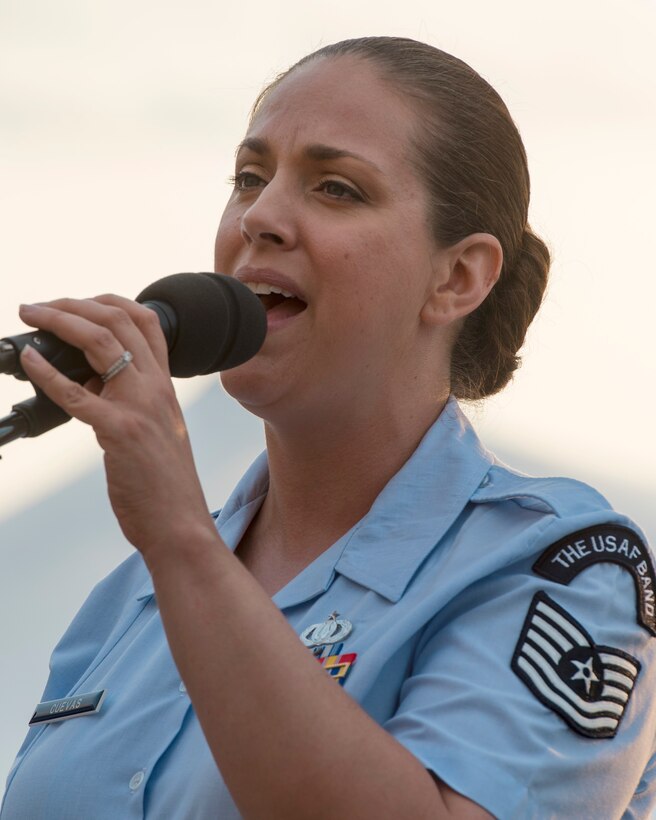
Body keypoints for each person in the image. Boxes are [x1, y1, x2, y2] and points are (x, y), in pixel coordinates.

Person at [1, 36, 655, 820]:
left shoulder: (567, 572)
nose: (262, 216)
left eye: (336, 188)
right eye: (249, 178)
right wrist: (180, 551)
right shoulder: (133, 595)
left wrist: (180, 540)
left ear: (457, 277)